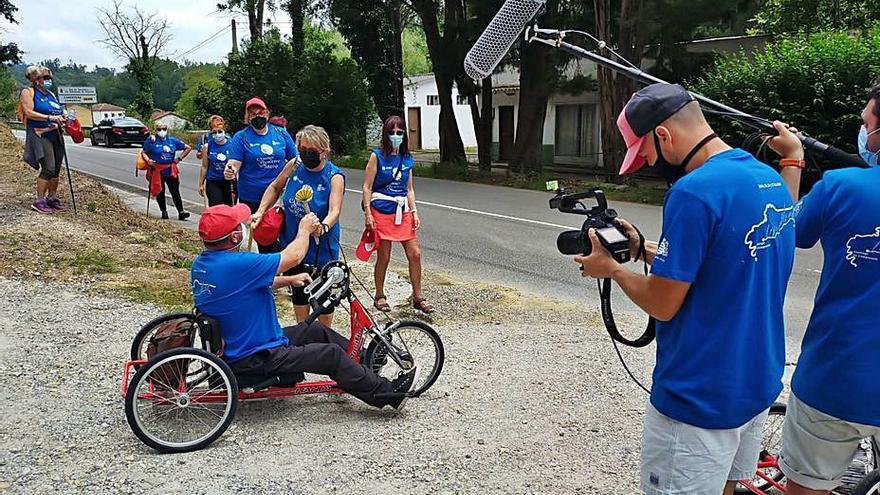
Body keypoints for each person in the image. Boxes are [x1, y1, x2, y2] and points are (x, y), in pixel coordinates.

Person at [575, 83, 796, 495]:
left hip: (699, 395)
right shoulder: (766, 179)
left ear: (663, 135)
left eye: (646, 154)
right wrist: (644, 251)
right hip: (754, 382)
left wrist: (613, 270)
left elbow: (662, 304)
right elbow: (730, 264)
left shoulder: (693, 192)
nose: (646, 163)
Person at [763, 84, 880, 495]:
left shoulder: (841, 186)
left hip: (835, 378)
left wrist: (792, 159)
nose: (862, 132)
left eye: (867, 123)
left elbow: (780, 231)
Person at [191, 203, 416, 410]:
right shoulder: (238, 263)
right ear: (234, 236)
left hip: (245, 347)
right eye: (241, 226)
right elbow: (294, 255)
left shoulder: (204, 264)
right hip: (257, 357)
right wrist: (304, 228)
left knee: (316, 330)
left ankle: (366, 363)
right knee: (332, 355)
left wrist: (288, 280)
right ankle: (389, 394)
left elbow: (242, 285)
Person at [252, 125, 344, 327]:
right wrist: (260, 210)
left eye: (312, 152)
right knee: (300, 293)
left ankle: (323, 337)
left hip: (322, 247)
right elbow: (275, 187)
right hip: (293, 245)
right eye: (302, 150)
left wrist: (324, 226)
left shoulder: (334, 176)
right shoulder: (294, 165)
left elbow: (334, 210)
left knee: (323, 298)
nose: (306, 156)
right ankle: (303, 335)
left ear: (324, 150)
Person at [362, 116, 433, 314]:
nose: (395, 136)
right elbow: (367, 186)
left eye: (399, 133)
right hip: (381, 210)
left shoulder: (407, 158)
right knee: (384, 256)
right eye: (392, 132)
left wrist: (415, 211)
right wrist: (368, 213)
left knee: (415, 253)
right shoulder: (377, 156)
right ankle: (379, 295)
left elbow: (409, 188)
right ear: (385, 134)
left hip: (402, 211)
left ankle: (418, 296)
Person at [223, 97, 299, 251]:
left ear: (267, 113)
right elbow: (234, 162)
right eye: (252, 114)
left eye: (260, 112)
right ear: (247, 117)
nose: (258, 116)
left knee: (284, 233)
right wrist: (230, 170)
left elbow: (295, 159)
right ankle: (269, 268)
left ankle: (283, 264)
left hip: (279, 195)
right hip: (253, 196)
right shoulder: (241, 137)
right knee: (265, 237)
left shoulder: (280, 134)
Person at [20, 66, 67, 213]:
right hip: (40, 134)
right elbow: (29, 112)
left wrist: (64, 116)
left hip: (56, 134)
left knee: (56, 169)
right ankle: (39, 200)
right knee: (48, 167)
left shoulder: (51, 95)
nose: (48, 81)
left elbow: (59, 109)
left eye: (49, 78)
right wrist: (49, 117)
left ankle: (51, 198)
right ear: (36, 79)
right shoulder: (28, 92)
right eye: (45, 78)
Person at [140, 123, 192, 220]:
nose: (162, 131)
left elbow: (187, 148)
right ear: (155, 130)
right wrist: (148, 161)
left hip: (170, 168)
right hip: (157, 169)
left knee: (175, 191)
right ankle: (164, 211)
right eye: (159, 129)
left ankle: (181, 212)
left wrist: (179, 159)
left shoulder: (172, 140)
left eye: (164, 129)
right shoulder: (152, 140)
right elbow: (144, 152)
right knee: (160, 191)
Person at [199, 117, 235, 207]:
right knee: (216, 207)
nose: (217, 134)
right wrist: (201, 184)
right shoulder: (207, 147)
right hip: (213, 181)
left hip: (229, 181)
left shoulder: (233, 144)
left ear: (224, 130)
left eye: (220, 131)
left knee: (229, 207)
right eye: (214, 132)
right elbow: (204, 166)